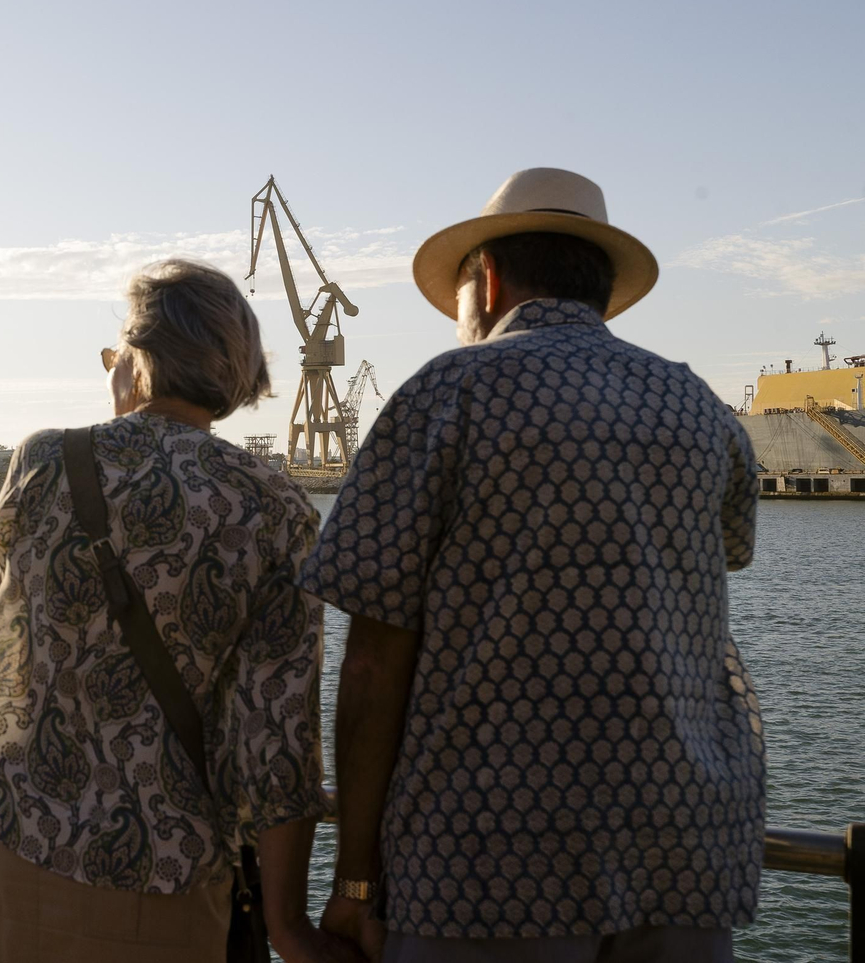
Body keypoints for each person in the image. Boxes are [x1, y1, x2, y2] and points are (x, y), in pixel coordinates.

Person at [303, 169, 764, 963]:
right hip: (688, 845)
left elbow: (376, 659)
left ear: (486, 278)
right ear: (602, 286)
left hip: (490, 862)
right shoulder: (699, 405)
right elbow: (731, 551)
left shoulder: (446, 392)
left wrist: (354, 882)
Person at [0, 259, 350, 963]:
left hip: (14, 857)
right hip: (167, 881)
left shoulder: (42, 461)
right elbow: (279, 739)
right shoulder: (274, 507)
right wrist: (287, 925)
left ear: (137, 360)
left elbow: (13, 641)